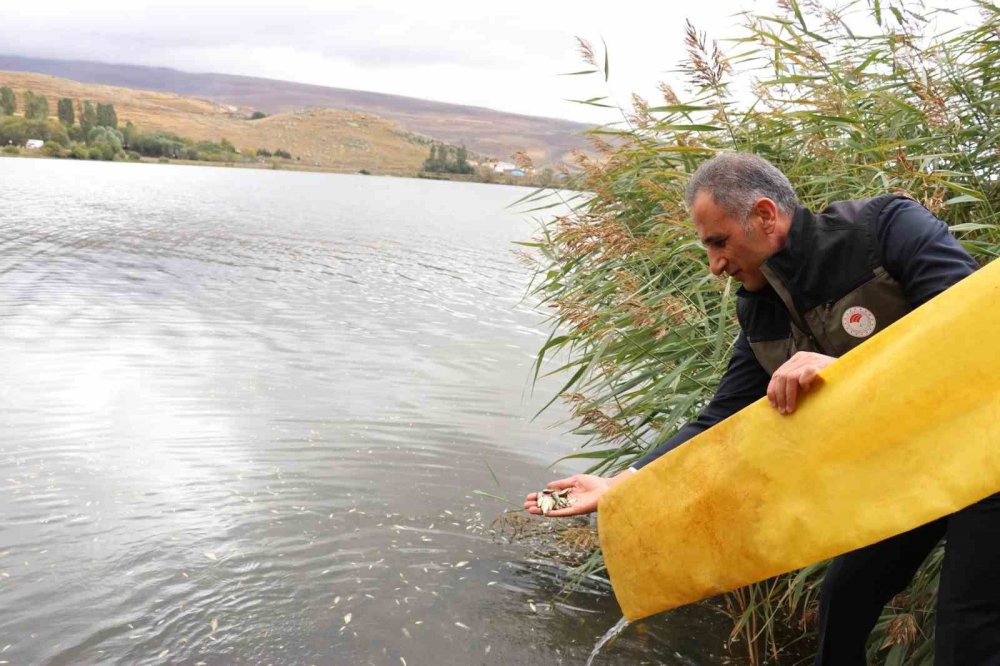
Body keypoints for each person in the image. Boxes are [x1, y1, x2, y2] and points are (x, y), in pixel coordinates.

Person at [524, 152, 999, 665]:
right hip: (911, 468)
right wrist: (621, 484)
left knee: (967, 633)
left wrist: (844, 368)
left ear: (766, 215)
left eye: (718, 241)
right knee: (843, 602)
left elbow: (973, 328)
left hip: (987, 452)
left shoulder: (886, 228)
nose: (714, 265)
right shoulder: (758, 308)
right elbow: (719, 414)